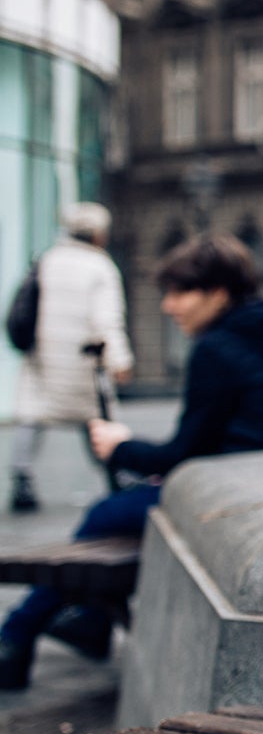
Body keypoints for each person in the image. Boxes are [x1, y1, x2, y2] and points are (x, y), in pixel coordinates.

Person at [0, 232, 263, 690]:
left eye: (181, 292)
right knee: (120, 514)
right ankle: (85, 621)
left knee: (106, 514)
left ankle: (17, 636)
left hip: (230, 497)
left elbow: (183, 454)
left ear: (218, 292)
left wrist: (120, 445)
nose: (168, 305)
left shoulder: (216, 348)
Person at [8, 202, 133, 513]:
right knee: (96, 417)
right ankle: (115, 471)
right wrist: (119, 359)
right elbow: (107, 319)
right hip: (83, 359)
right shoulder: (99, 266)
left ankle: (21, 477)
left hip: (43, 356)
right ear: (97, 234)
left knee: (32, 415)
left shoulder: (47, 259)